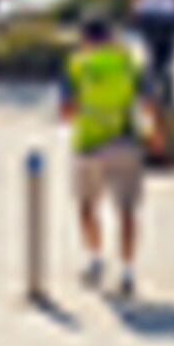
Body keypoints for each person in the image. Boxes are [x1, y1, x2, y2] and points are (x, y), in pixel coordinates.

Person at [62, 15, 152, 298]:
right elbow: (149, 101)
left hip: (88, 144)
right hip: (125, 141)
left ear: (84, 39)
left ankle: (95, 260)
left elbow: (66, 110)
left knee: (87, 206)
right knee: (126, 210)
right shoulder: (130, 62)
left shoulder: (76, 65)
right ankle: (127, 270)